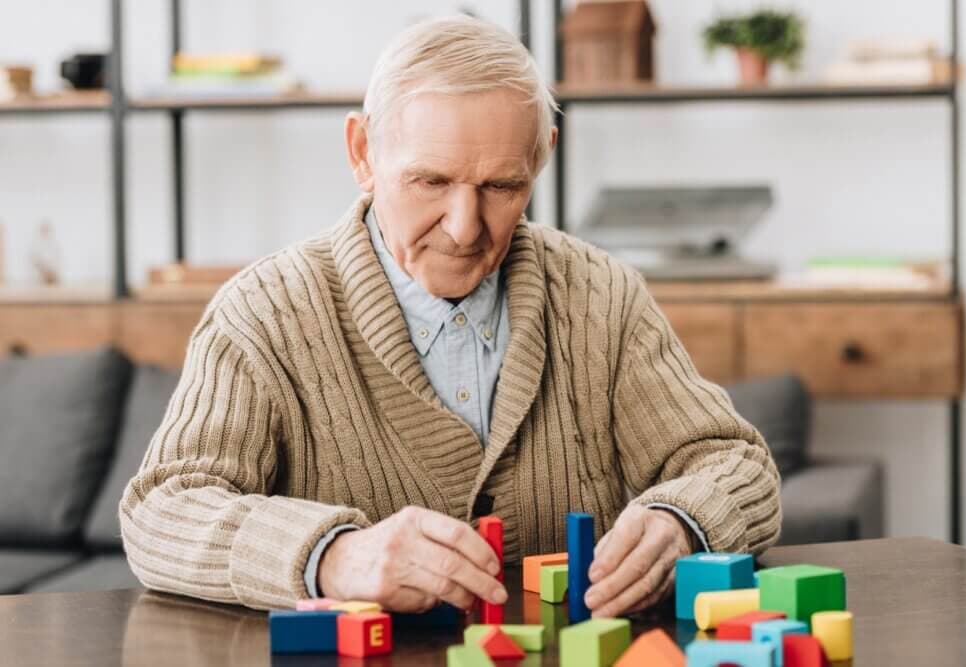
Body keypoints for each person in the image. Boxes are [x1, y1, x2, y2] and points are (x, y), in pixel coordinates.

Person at [120, 15, 780, 617]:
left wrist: (683, 521)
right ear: (362, 154)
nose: (466, 229)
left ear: (541, 156)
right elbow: (161, 511)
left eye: (501, 186)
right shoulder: (262, 313)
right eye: (430, 181)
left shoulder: (601, 296)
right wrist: (335, 556)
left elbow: (736, 464)